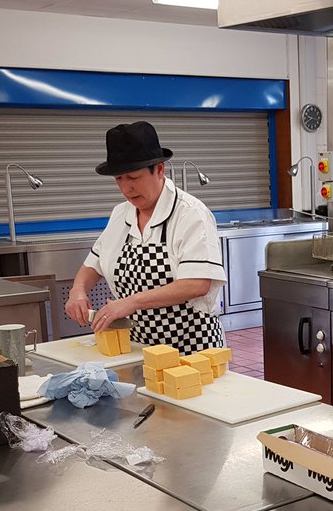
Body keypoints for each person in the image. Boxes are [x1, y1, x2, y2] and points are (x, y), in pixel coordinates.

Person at [66, 121, 226, 354]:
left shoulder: (190, 214)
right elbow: (93, 264)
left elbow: (198, 283)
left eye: (134, 177)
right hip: (137, 348)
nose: (126, 188)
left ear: (159, 169)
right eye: (119, 179)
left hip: (191, 350)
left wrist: (129, 303)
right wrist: (77, 291)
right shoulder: (121, 214)